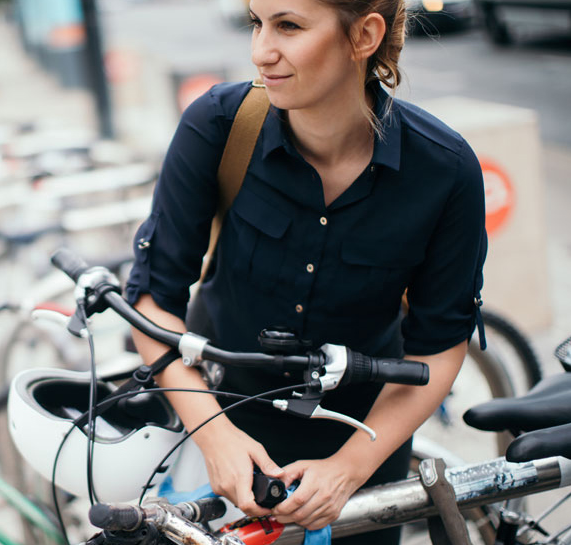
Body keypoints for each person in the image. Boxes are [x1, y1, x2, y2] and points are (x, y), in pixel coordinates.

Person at [125, 0, 487, 543]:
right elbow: (153, 301)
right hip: (217, 430)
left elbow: (436, 348)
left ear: (364, 35)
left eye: (288, 26)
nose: (260, 51)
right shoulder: (219, 126)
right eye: (256, 22)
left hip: (362, 446)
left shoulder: (444, 170)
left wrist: (349, 468)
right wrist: (214, 435)